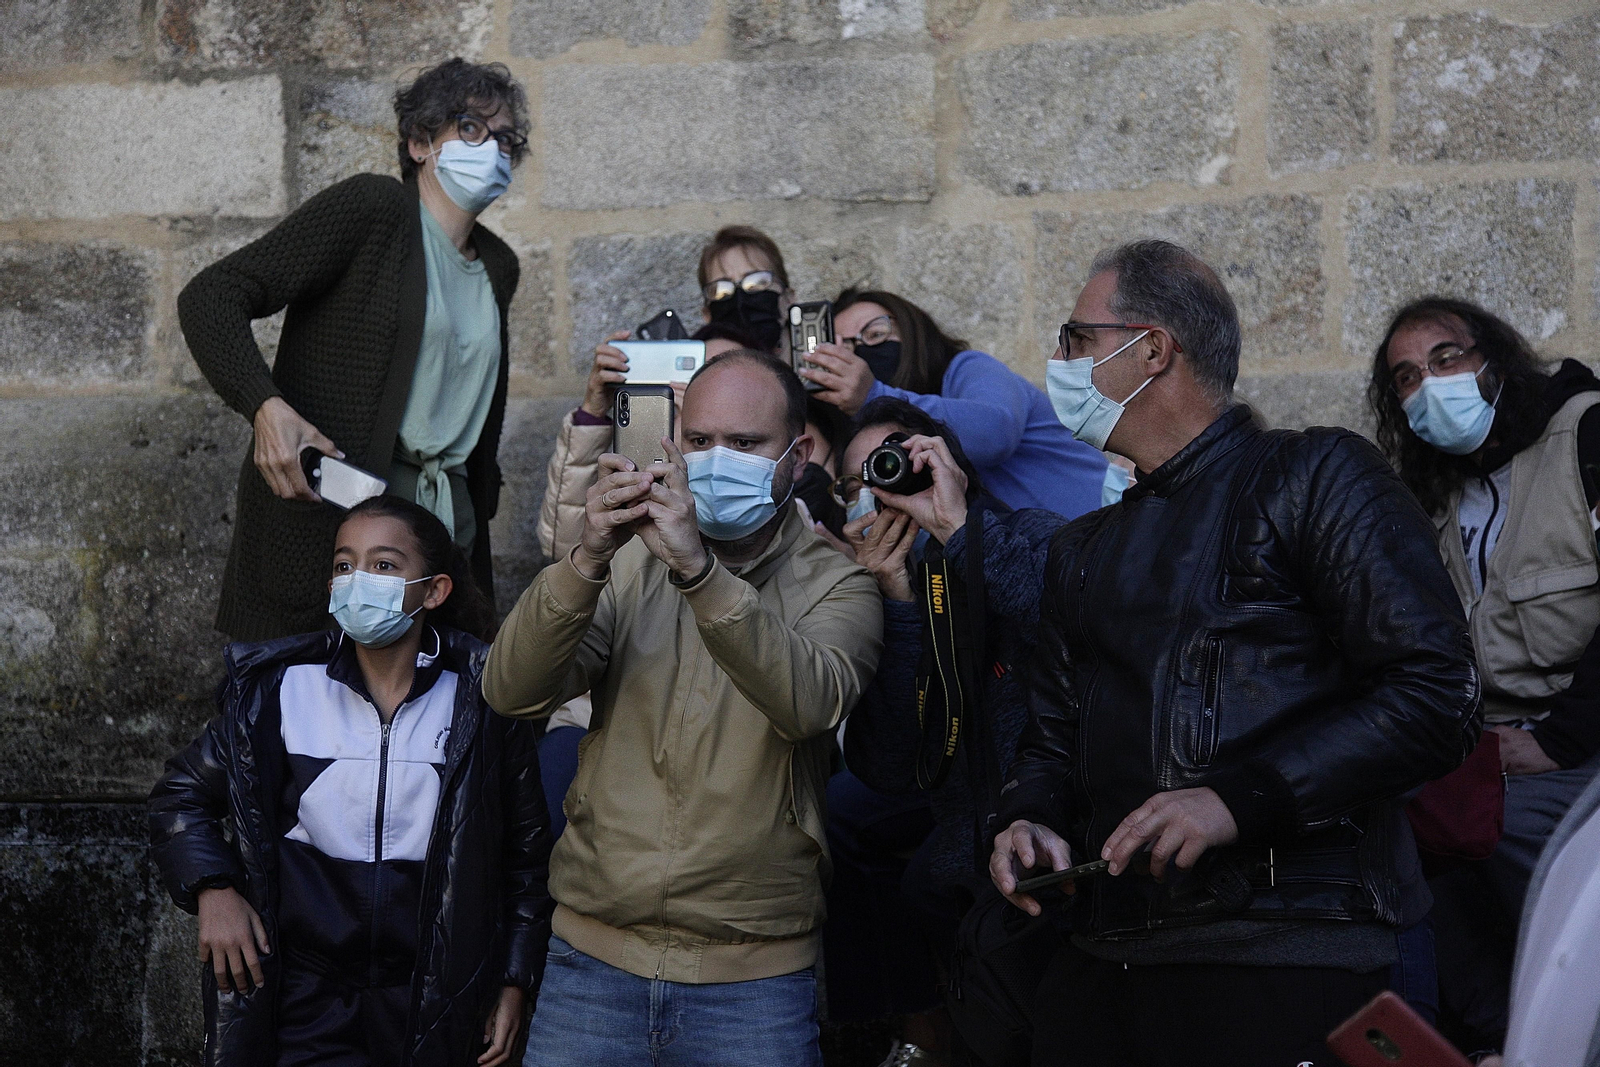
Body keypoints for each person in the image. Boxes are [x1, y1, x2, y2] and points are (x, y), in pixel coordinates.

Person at [987, 240, 1481, 1066]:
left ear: (1151, 348)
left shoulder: (1316, 474)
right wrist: (1026, 816)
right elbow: (1050, 732)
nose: (1058, 362)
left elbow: (1437, 693)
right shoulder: (1081, 548)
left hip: (1290, 949)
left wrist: (1242, 798)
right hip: (1105, 958)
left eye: (1075, 338)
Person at [483, 350, 883, 1065]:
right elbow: (512, 690)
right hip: (592, 963)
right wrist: (583, 563)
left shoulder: (839, 583)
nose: (716, 459)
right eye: (698, 441)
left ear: (800, 452)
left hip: (753, 980)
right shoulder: (629, 563)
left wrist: (699, 572)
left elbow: (810, 702)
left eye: (745, 443)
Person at [148, 496, 552, 1066]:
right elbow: (180, 794)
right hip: (306, 998)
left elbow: (526, 861)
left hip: (433, 998)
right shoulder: (280, 689)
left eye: (384, 565)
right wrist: (213, 888)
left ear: (434, 591)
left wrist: (514, 984)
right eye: (344, 565)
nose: (359, 580)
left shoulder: (485, 697)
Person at [179, 58, 528, 638]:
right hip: (330, 539)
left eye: (506, 140)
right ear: (420, 141)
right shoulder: (374, 211)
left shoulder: (499, 265)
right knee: (297, 718)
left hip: (442, 549)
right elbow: (212, 297)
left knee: (436, 722)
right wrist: (265, 407)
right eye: (470, 128)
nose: (491, 149)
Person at [1366, 297, 1600, 1050]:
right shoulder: (1435, 491)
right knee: (1388, 816)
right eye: (1406, 377)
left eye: (1446, 358)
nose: (1429, 385)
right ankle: (1483, 1036)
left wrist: (1561, 739)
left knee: (1470, 828)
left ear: (1493, 360)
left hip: (1576, 749)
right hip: (1495, 747)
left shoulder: (1586, 433)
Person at [822, 398, 1067, 1066]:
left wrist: (962, 535)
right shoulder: (882, 593)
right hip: (968, 869)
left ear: (951, 464)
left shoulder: (1029, 534)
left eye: (902, 456)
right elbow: (889, 768)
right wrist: (898, 605)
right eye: (864, 479)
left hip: (1062, 848)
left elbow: (1075, 624)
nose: (887, 480)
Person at [797, 288, 1109, 519]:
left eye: (876, 333)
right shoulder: (882, 437)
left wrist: (873, 396)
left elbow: (993, 433)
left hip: (1098, 539)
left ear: (913, 332)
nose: (860, 352)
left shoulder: (969, 368)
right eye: (844, 348)